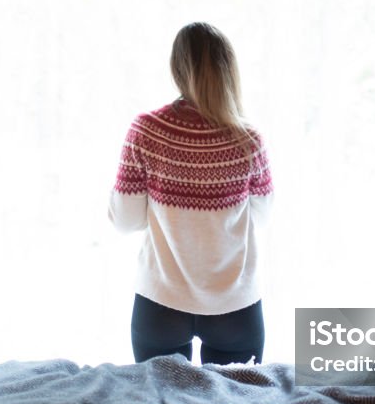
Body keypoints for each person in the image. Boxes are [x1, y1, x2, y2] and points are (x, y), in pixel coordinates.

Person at [108, 22, 273, 365]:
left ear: (177, 70)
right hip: (235, 307)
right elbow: (262, 216)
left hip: (161, 304)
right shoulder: (249, 140)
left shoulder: (145, 131)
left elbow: (125, 221)